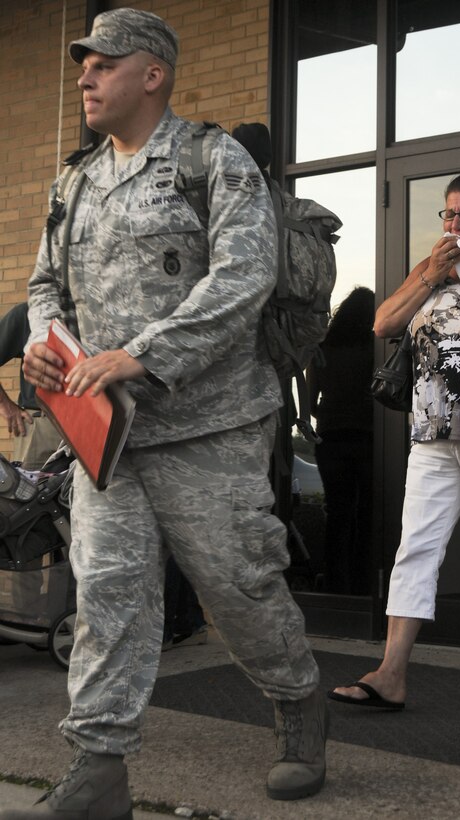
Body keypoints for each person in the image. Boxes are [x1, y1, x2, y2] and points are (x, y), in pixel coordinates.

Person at [0, 10, 328, 820]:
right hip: (104, 436)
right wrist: (48, 345)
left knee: (238, 590)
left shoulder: (211, 161)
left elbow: (242, 278)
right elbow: (47, 287)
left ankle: (299, 704)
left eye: (103, 63)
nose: (85, 76)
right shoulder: (72, 181)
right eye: (82, 64)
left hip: (208, 430)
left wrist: (141, 353)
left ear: (153, 74)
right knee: (108, 592)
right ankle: (100, 764)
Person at [328, 172, 460, 723]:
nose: (456, 224)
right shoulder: (431, 272)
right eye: (449, 214)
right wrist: (431, 276)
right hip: (433, 435)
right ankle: (390, 674)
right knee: (414, 549)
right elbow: (383, 324)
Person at [307, 287, 374, 595]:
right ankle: (365, 582)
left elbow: (310, 404)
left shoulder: (324, 348)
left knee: (338, 512)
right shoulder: (376, 348)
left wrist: (330, 411)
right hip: (368, 436)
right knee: (368, 512)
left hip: (331, 436)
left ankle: (336, 584)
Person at [0, 302, 62, 470]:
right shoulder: (29, 313)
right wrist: (5, 405)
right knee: (29, 493)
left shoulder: (98, 316)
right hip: (40, 428)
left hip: (93, 428)